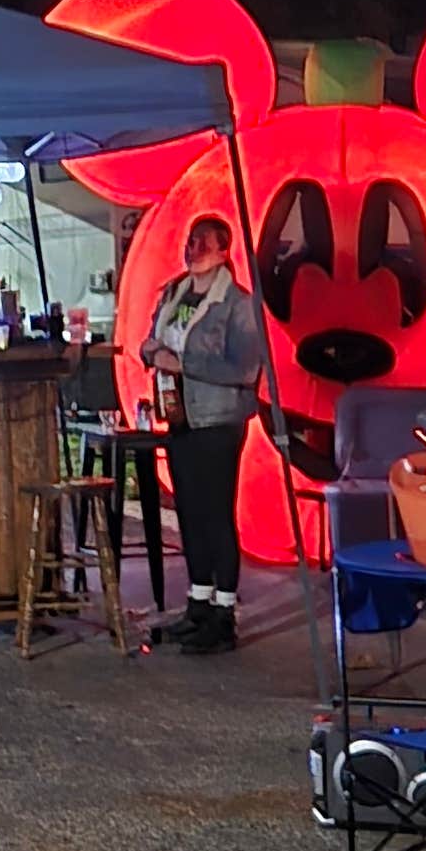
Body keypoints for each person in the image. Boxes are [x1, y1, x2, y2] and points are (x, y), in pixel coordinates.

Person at [142, 213, 268, 652]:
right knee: (190, 512)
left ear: (222, 250)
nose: (191, 249)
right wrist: (152, 352)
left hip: (217, 419)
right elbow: (149, 339)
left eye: (201, 242)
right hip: (179, 416)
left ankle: (224, 612)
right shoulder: (174, 293)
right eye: (189, 241)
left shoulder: (237, 304)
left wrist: (185, 364)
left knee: (216, 513)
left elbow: (246, 368)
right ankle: (198, 601)